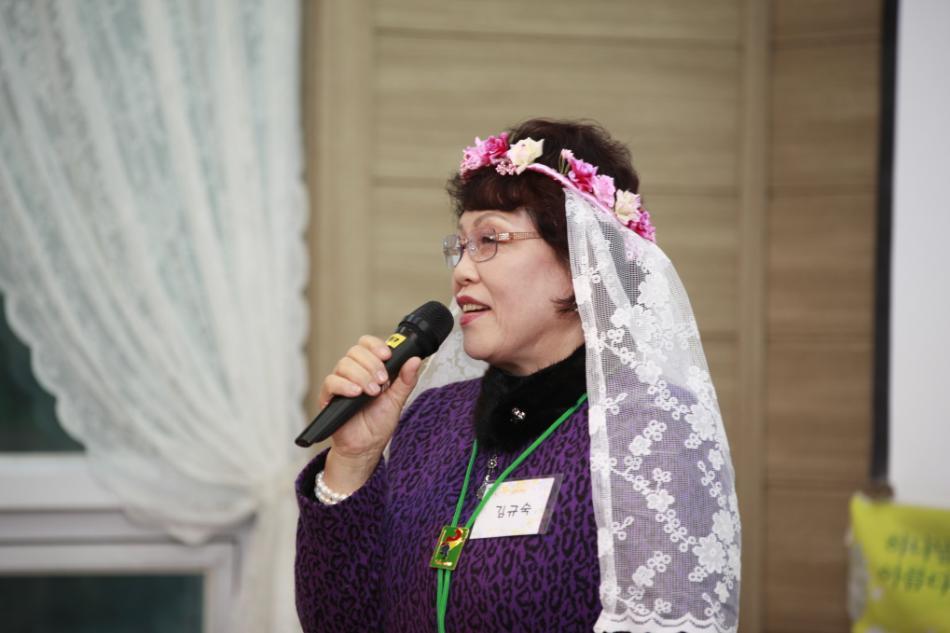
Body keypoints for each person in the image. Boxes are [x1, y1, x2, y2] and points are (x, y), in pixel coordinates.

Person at [295, 119, 741, 633]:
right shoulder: (431, 418)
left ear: (580, 259)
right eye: (461, 246)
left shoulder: (649, 430)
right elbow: (338, 623)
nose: (462, 271)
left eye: (490, 240)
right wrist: (353, 461)